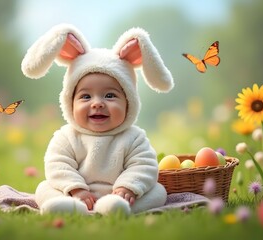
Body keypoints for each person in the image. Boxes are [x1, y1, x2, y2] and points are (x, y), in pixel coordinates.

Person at [21, 24, 174, 215]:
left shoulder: (134, 137)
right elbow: (57, 164)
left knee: (158, 191)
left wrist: (127, 187)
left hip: (119, 195)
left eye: (109, 96)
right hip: (74, 194)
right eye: (86, 97)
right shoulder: (66, 136)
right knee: (44, 188)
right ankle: (69, 207)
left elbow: (144, 165)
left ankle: (114, 207)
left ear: (129, 101)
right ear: (70, 102)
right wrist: (76, 188)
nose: (97, 104)